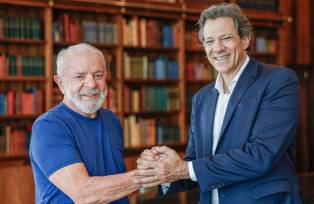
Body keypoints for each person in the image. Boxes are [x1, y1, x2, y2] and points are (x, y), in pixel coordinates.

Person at [134, 3, 303, 204]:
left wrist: (183, 169)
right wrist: (163, 171)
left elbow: (261, 155)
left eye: (226, 38)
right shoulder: (202, 98)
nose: (217, 48)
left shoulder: (278, 81)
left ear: (246, 39)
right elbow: (196, 164)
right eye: (209, 41)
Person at [29, 43, 140, 203]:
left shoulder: (112, 120)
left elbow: (117, 185)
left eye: (98, 75)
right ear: (60, 83)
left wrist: (149, 164)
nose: (92, 83)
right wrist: (149, 175)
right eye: (79, 76)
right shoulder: (48, 127)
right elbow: (84, 194)